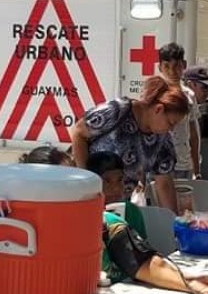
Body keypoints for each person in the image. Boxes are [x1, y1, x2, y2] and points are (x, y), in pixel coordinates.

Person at [88, 151, 208, 294]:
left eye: (119, 180)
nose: (114, 188)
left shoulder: (115, 220)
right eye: (106, 182)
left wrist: (187, 280)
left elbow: (142, 261)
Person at [70, 75, 189, 213]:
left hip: (118, 206)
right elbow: (78, 133)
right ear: (158, 109)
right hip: (87, 198)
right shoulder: (117, 111)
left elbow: (164, 184)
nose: (171, 129)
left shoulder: (162, 141)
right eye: (170, 123)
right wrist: (87, 181)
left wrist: (173, 224)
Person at [158, 43, 202, 180]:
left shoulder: (189, 96)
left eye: (176, 66)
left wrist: (196, 169)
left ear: (184, 65)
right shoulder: (156, 94)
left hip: (183, 165)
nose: (172, 71)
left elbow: (193, 135)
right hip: (159, 164)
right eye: (166, 66)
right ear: (160, 68)